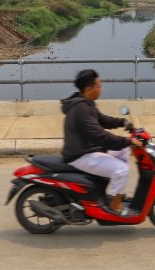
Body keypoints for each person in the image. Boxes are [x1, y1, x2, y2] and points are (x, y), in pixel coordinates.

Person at [61, 69, 142, 214]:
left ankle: (116, 192)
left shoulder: (86, 102)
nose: (100, 89)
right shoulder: (81, 109)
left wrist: (122, 122)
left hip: (88, 148)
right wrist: (127, 141)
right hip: (80, 155)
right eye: (98, 86)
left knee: (123, 152)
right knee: (122, 170)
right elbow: (100, 136)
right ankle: (115, 205)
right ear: (88, 89)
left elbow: (102, 119)